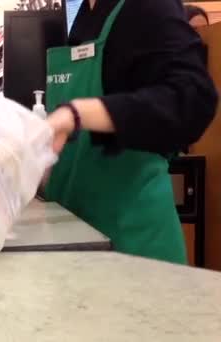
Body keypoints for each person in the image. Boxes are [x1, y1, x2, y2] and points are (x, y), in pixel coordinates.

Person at [43, 0, 218, 264]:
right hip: (79, 236)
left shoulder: (148, 6)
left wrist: (80, 112)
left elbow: (192, 99)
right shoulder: (84, 18)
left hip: (133, 242)